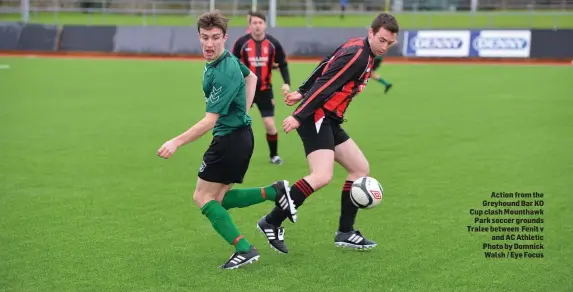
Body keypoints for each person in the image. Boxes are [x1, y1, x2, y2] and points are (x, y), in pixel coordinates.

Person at [156, 10, 296, 270]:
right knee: (217, 199)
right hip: (238, 137)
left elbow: (209, 121)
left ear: (225, 37)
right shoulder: (227, 59)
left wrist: (176, 142)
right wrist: (245, 109)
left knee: (202, 198)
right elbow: (251, 77)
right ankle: (274, 191)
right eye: (205, 37)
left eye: (216, 38)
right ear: (199, 36)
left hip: (229, 140)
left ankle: (244, 248)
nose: (210, 44)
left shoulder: (224, 71)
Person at [256, 12, 400, 253]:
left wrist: (301, 91)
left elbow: (325, 65)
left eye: (390, 43)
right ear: (371, 33)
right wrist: (298, 115)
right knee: (322, 175)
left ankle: (345, 232)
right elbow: (326, 86)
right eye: (382, 40)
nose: (385, 46)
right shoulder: (359, 56)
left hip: (329, 118)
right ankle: (271, 221)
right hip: (316, 117)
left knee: (360, 168)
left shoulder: (359, 47)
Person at [232, 10, 291, 165]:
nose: (257, 26)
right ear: (249, 25)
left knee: (270, 125)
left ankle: (274, 155)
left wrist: (286, 83)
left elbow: (283, 64)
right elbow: (232, 65)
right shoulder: (241, 43)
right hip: (245, 91)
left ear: (265, 25)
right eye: (254, 23)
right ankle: (233, 154)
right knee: (237, 123)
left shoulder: (273, 43)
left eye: (260, 23)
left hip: (265, 90)